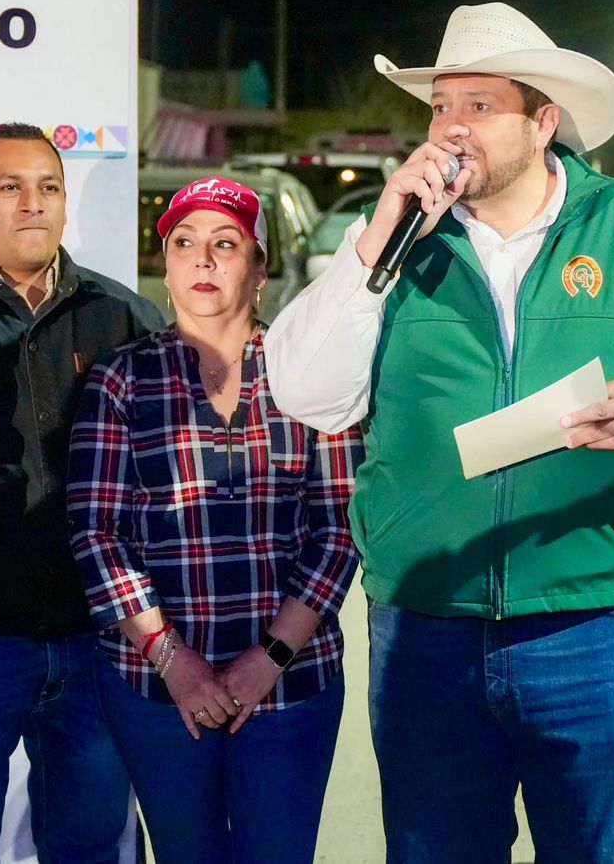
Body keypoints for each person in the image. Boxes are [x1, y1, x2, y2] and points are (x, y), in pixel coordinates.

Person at [266, 2, 614, 863]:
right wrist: (379, 231)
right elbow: (307, 392)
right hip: (427, 626)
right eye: (440, 107)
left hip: (594, 623)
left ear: (543, 121)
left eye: (479, 106)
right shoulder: (392, 241)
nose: (451, 130)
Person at [69, 176, 361, 864]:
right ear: (165, 267)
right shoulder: (122, 379)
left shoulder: (308, 376)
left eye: (225, 244)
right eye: (185, 244)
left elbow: (340, 529)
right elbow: (96, 533)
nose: (202, 260)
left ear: (260, 270)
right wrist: (173, 660)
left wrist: (270, 657)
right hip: (158, 689)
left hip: (291, 684)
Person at [0, 123, 160, 863]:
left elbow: (160, 471)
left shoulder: (121, 317)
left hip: (96, 645)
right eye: (11, 188)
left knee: (90, 847)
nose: (34, 205)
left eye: (49, 188)